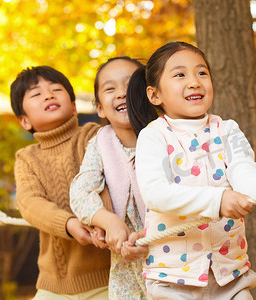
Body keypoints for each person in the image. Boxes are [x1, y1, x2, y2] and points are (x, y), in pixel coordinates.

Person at [126, 41, 256, 300]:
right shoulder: (153, 136)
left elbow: (244, 170)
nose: (195, 81)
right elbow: (156, 193)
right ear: (155, 95)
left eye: (202, 73)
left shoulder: (228, 129)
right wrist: (217, 200)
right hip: (173, 279)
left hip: (231, 275)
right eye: (180, 75)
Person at [10, 66, 110, 298]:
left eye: (56, 89)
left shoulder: (94, 136)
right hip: (54, 284)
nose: (48, 95)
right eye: (36, 94)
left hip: (108, 276)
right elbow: (30, 203)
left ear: (74, 107)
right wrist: (68, 224)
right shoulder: (27, 158)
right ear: (24, 121)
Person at [70, 57, 150, 299]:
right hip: (127, 266)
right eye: (110, 88)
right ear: (100, 108)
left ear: (152, 94)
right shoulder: (100, 143)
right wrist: (107, 221)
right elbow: (81, 192)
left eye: (130, 85)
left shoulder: (166, 135)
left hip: (173, 256)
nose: (121, 93)